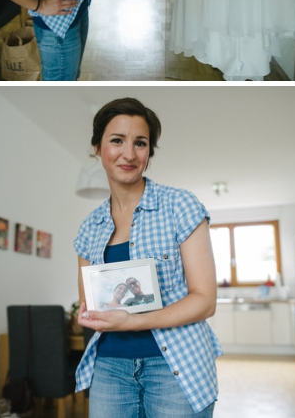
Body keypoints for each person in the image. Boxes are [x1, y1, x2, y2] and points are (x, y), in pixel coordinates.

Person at [73, 98, 220, 417]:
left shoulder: (180, 206)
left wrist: (132, 319)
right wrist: (87, 315)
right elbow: (89, 306)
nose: (129, 154)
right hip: (109, 368)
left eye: (140, 143)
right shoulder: (89, 228)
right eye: (116, 141)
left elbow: (205, 300)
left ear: (149, 152)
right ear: (98, 147)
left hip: (175, 364)